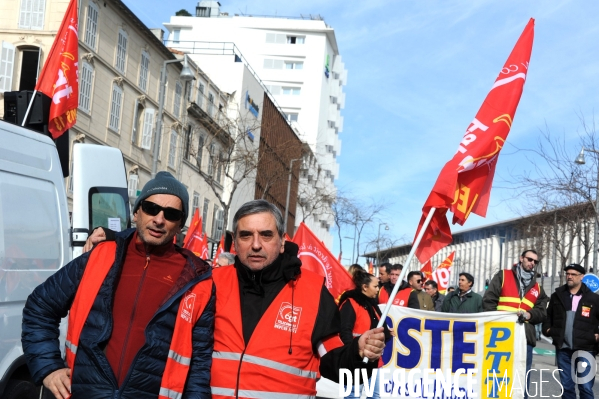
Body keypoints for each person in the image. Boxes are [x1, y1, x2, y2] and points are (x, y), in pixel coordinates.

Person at [85, 199, 386, 397]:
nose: (256, 245)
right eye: (246, 236)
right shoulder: (211, 281)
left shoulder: (311, 290)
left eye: (266, 235)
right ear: (234, 242)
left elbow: (334, 363)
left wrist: (360, 352)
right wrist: (116, 242)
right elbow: (159, 270)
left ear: (282, 242)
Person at [22, 171, 215, 399]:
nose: (159, 219)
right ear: (136, 212)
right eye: (151, 208)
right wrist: (48, 367)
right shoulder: (101, 256)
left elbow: (200, 366)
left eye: (171, 214)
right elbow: (40, 307)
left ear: (180, 224)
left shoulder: (197, 279)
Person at [483, 249, 548, 399]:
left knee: (521, 376)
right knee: (498, 373)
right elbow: (488, 301)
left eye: (535, 261)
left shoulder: (538, 289)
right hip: (500, 335)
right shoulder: (503, 276)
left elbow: (542, 312)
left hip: (525, 338)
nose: (532, 263)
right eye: (529, 259)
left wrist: (530, 315)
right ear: (521, 259)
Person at [543, 264, 599, 399]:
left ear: (581, 277)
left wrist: (596, 336)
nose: (569, 276)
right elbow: (548, 316)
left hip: (586, 348)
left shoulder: (593, 298)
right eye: (568, 273)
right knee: (567, 387)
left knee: (585, 387)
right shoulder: (557, 296)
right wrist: (549, 330)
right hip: (564, 349)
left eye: (573, 274)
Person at [338, 270, 391, 399]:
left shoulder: (372, 305)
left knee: (375, 395)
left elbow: (377, 327)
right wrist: (353, 354)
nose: (378, 289)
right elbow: (345, 331)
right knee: (353, 395)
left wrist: (387, 332)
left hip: (375, 360)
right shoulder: (351, 303)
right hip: (356, 359)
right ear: (365, 287)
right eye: (375, 286)